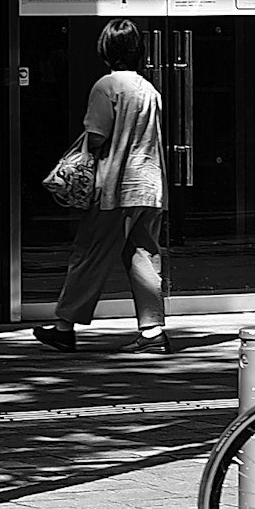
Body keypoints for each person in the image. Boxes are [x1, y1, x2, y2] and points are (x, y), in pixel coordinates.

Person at [35, 19, 168, 354]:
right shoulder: (149, 90)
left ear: (105, 50)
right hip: (150, 185)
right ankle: (152, 332)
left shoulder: (106, 86)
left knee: (89, 252)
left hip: (116, 186)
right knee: (143, 256)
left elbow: (97, 136)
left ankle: (64, 327)